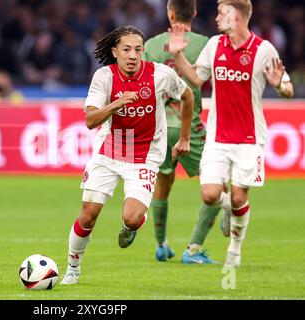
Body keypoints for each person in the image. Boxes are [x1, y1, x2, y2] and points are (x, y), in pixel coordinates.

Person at [60, 25, 194, 285]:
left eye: (138, 50)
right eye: (126, 49)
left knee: (131, 218)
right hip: (108, 153)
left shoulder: (160, 75)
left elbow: (187, 96)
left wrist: (185, 138)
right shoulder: (104, 77)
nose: (133, 55)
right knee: (88, 214)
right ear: (115, 51)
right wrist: (115, 104)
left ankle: (132, 226)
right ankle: (72, 269)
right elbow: (90, 120)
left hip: (144, 156)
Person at [168, 0, 294, 267]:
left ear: (235, 16)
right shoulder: (214, 45)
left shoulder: (263, 50)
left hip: (250, 138)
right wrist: (178, 55)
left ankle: (235, 249)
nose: (216, 18)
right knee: (210, 195)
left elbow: (287, 89)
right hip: (217, 136)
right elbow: (197, 79)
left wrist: (279, 87)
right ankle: (227, 207)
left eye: (221, 12)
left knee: (239, 196)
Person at [143, 0, 232, 264]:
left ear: (169, 13)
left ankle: (161, 245)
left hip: (159, 127)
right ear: (194, 12)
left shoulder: (150, 45)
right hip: (190, 128)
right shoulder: (207, 44)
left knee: (163, 183)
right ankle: (193, 249)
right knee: (217, 186)